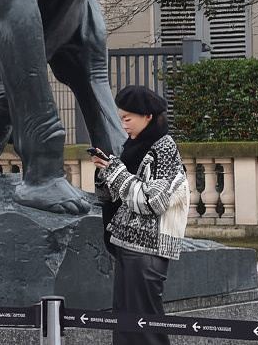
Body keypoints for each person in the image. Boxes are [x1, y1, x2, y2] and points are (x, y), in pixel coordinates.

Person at [91, 86, 190, 345]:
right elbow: (117, 197)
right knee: (125, 322)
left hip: (149, 249)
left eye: (127, 118)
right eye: (121, 117)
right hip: (128, 245)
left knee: (145, 322)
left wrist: (117, 173)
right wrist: (105, 173)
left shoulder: (165, 148)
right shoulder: (134, 146)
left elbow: (152, 201)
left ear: (147, 116)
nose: (123, 124)